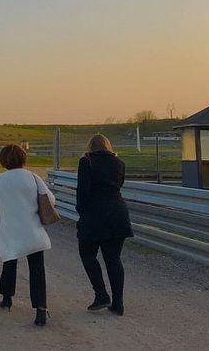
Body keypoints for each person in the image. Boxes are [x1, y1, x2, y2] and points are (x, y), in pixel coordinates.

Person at [0, 144, 54, 327]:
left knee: (9, 262)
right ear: (23, 158)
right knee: (37, 269)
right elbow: (50, 199)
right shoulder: (33, 177)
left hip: (10, 228)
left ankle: (7, 297)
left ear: (3, 160)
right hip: (31, 229)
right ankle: (40, 309)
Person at [76, 134, 133, 316]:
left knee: (87, 254)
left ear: (90, 146)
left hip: (94, 214)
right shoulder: (119, 163)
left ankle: (101, 294)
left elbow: (82, 191)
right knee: (113, 259)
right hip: (118, 214)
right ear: (108, 145)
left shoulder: (87, 162)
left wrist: (81, 211)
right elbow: (119, 185)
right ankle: (118, 303)